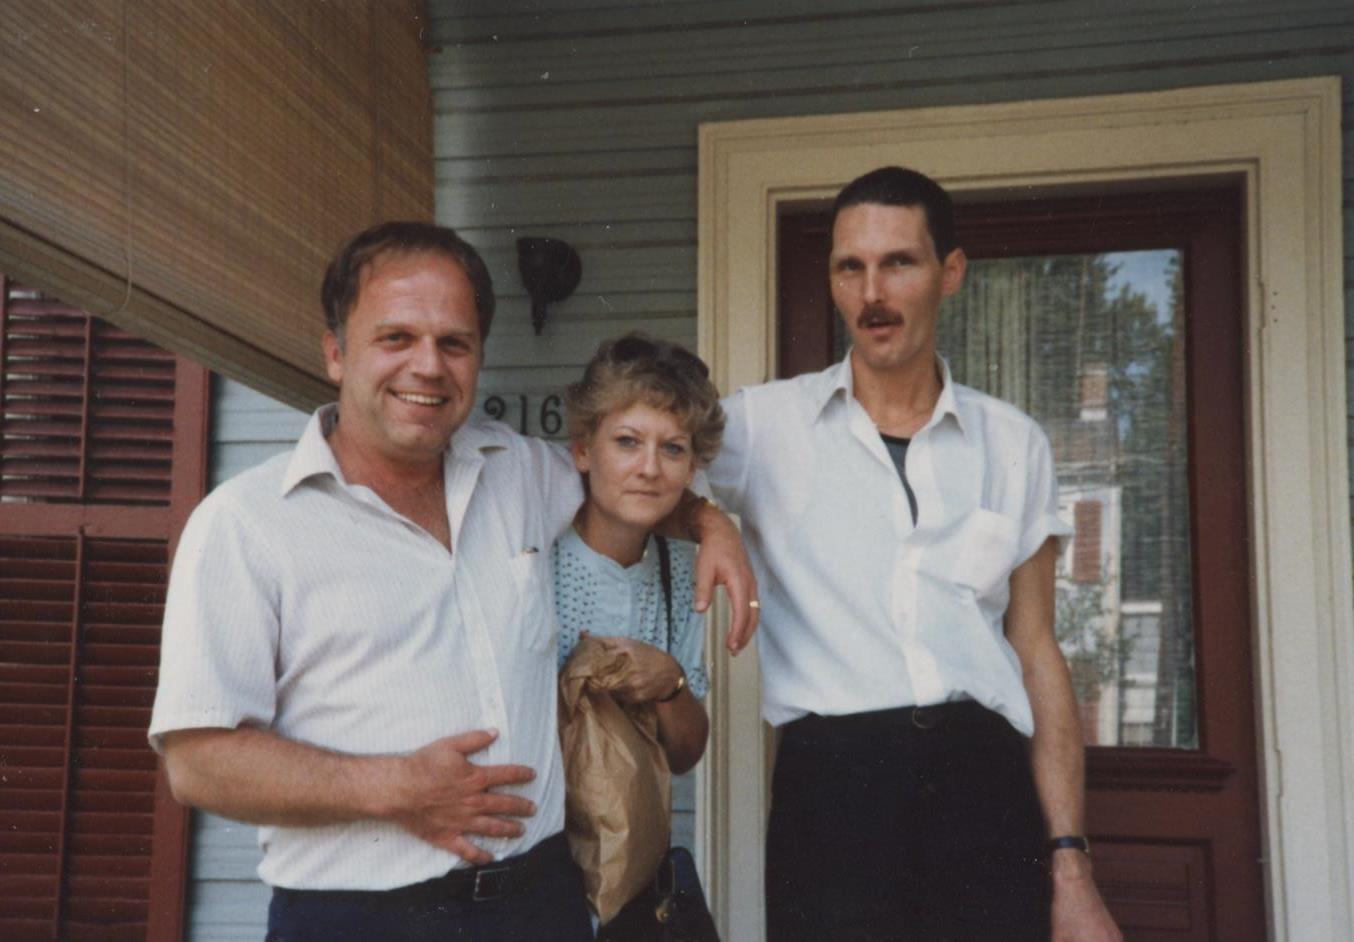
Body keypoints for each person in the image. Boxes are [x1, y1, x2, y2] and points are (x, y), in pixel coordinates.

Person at [147, 222, 756, 942]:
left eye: (454, 343)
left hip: (541, 904)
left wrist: (714, 526)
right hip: (361, 918)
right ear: (336, 352)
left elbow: (634, 485)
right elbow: (199, 762)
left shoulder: (519, 471)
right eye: (396, 338)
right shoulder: (246, 523)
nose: (428, 366)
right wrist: (392, 789)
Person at [705, 167, 1123, 941]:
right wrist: (711, 523)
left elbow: (1036, 649)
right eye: (850, 267)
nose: (872, 293)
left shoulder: (1014, 443)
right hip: (834, 791)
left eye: (898, 262)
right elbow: (630, 475)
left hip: (984, 784)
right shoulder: (764, 426)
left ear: (949, 272)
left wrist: (1071, 865)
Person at [555, 333, 724, 773]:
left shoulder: (680, 569)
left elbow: (685, 756)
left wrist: (670, 682)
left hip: (626, 815)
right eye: (628, 441)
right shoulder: (538, 550)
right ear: (583, 450)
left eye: (672, 448)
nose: (650, 469)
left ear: (690, 469)